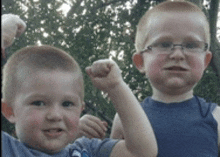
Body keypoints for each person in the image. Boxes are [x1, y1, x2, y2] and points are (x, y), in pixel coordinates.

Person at [78, 1, 220, 156]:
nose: (178, 54)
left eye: (191, 45)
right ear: (140, 62)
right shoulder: (124, 117)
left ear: (205, 61)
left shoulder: (216, 116)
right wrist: (74, 131)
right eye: (164, 44)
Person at [1, 45, 157, 157]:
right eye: (39, 103)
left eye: (67, 104)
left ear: (80, 109)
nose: (55, 115)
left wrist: (116, 87)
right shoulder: (8, 149)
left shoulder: (87, 151)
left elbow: (142, 151)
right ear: (9, 110)